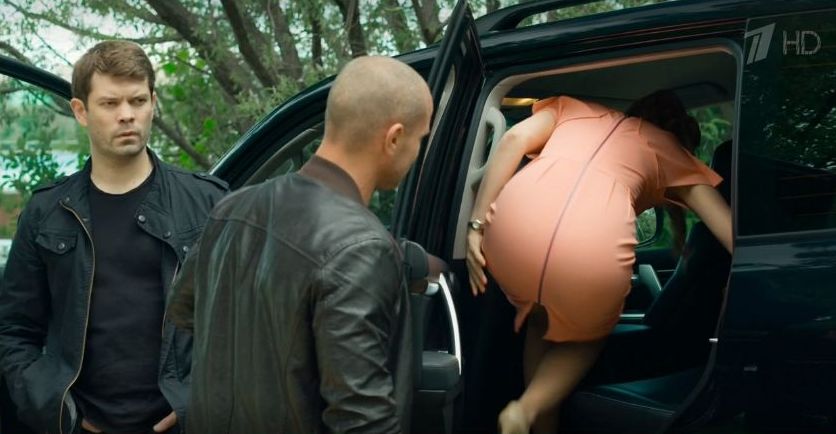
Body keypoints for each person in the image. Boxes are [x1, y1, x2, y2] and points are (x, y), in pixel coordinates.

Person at [166, 55, 433, 433]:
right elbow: (362, 418)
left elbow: (186, 314)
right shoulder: (360, 247)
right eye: (421, 139)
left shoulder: (231, 209)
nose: (419, 152)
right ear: (394, 138)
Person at [465, 90, 732, 434]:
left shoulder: (572, 108)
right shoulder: (669, 150)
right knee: (587, 337)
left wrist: (476, 226)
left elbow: (513, 139)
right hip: (589, 251)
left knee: (539, 321)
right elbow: (729, 233)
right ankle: (526, 409)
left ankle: (539, 418)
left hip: (509, 232)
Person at [0, 41, 227, 434]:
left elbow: (244, 324)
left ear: (153, 102)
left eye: (137, 101)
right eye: (110, 103)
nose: (127, 115)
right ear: (80, 111)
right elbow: (14, 331)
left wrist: (196, 402)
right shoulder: (46, 212)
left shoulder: (207, 203)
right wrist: (57, 409)